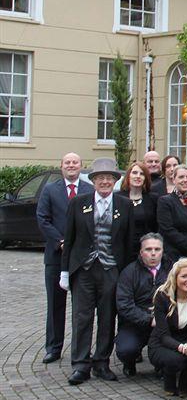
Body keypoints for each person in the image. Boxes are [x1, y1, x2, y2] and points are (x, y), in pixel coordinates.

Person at [60, 157, 132, 385]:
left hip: (111, 270)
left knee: (107, 318)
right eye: (100, 178)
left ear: (114, 181)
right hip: (84, 269)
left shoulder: (125, 205)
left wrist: (126, 274)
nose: (104, 182)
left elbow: (129, 243)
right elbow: (69, 240)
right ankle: (80, 365)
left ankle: (101, 362)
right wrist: (64, 271)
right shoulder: (78, 203)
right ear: (93, 181)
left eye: (109, 178)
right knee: (82, 317)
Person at [37, 152, 93, 364]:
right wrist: (60, 242)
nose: (71, 165)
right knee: (55, 303)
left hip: (82, 257)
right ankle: (53, 347)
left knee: (82, 306)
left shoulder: (89, 189)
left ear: (81, 166)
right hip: (56, 255)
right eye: (67, 163)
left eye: (75, 162)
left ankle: (81, 350)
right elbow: (43, 219)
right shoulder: (50, 190)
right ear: (61, 166)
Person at [148, 258, 187, 396]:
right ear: (175, 277)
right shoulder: (162, 296)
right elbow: (163, 335)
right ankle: (169, 376)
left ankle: (185, 376)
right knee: (176, 359)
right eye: (184, 276)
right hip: (162, 342)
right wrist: (183, 348)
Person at [115, 233, 170, 377]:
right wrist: (149, 319)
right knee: (126, 349)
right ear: (141, 252)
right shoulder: (129, 272)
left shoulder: (171, 270)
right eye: (148, 249)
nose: (153, 254)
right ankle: (129, 362)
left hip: (164, 323)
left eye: (157, 249)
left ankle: (162, 364)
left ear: (163, 251)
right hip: (135, 324)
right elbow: (124, 305)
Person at [117, 161, 157, 254]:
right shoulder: (117, 198)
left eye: (142, 174)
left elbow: (156, 226)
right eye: (134, 173)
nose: (138, 176)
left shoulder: (153, 199)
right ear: (128, 176)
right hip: (123, 249)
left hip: (147, 249)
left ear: (145, 178)